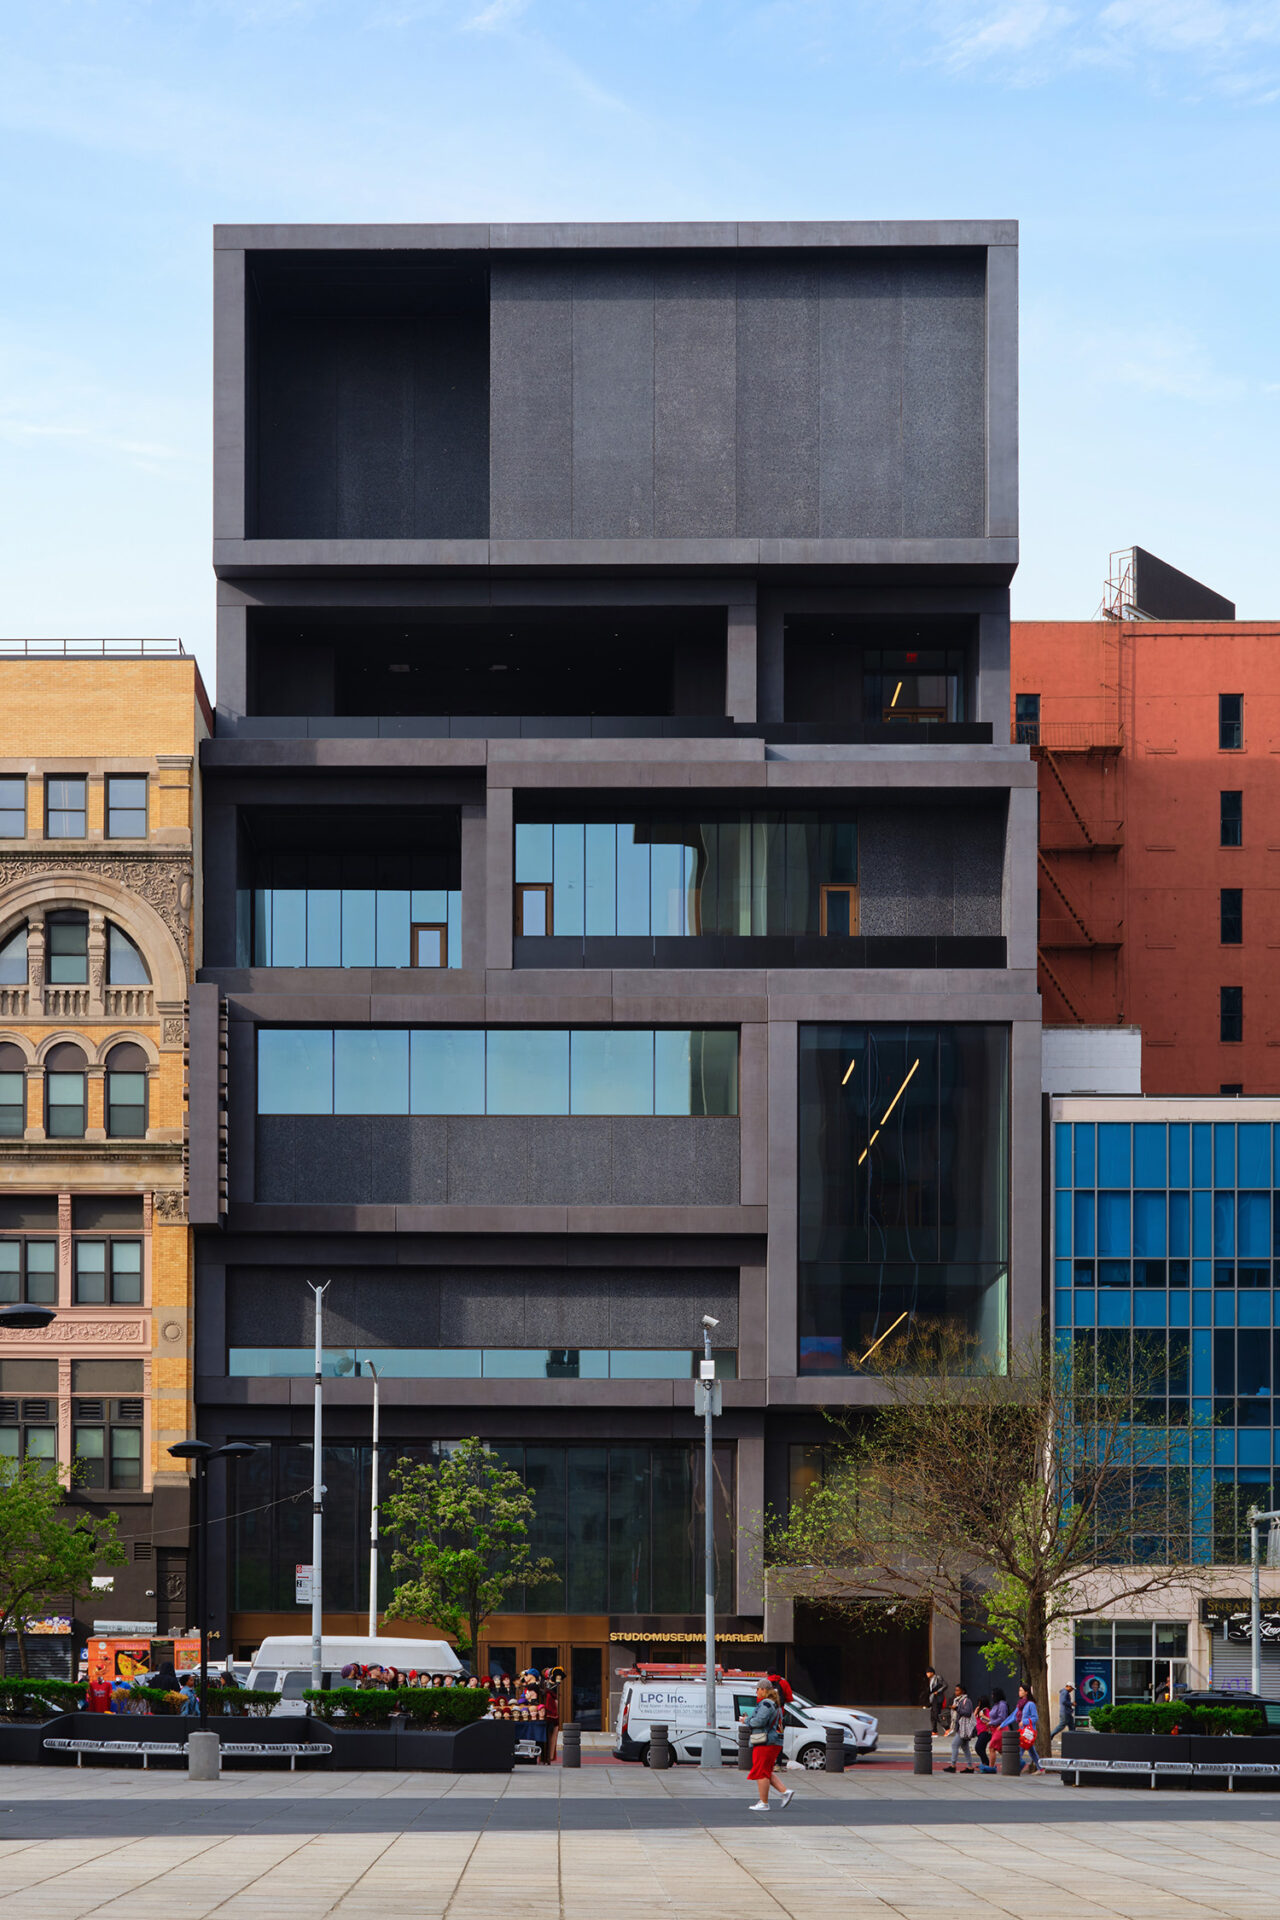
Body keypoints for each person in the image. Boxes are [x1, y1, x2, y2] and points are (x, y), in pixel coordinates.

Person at [741, 1681, 793, 1812]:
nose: (756, 1692)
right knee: (767, 1771)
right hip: (773, 1741)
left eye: (758, 1689)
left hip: (765, 1742)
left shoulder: (766, 1704)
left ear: (764, 1690)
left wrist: (746, 1720)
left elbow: (758, 1721)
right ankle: (785, 1792)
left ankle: (764, 1802)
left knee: (761, 1772)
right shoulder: (775, 1704)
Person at [943, 1685, 976, 1772]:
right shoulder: (957, 1700)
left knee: (954, 1745)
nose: (956, 1692)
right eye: (955, 1690)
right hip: (960, 1727)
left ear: (963, 1691)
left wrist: (957, 1708)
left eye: (958, 1690)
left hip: (963, 1728)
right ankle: (970, 1767)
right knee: (965, 1748)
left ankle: (953, 1765)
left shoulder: (966, 1701)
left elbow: (968, 1713)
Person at [1015, 1684, 1041, 1774]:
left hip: (1028, 1732)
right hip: (1023, 1730)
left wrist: (1024, 1721)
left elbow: (1035, 1718)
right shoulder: (1021, 1704)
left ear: (1026, 1692)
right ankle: (1041, 1768)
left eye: (1021, 1690)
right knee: (1032, 1752)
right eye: (1019, 1690)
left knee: (1020, 1749)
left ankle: (1015, 1767)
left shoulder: (1031, 1704)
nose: (1019, 1692)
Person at [981, 1689, 1009, 1772]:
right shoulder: (996, 1705)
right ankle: (1013, 1762)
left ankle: (991, 1767)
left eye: (993, 1694)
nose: (992, 1696)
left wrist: (991, 1723)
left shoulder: (1002, 1705)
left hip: (1000, 1728)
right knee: (1001, 1749)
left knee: (992, 1747)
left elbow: (1001, 1718)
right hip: (995, 1729)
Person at [1047, 1681, 1076, 1746]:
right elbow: (1063, 1701)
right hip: (1065, 1712)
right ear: (1068, 1686)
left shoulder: (1065, 1692)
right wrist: (1072, 1703)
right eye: (1072, 1688)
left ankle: (1073, 1739)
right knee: (1061, 1726)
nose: (1072, 1690)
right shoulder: (1065, 1692)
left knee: (1072, 1726)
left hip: (1067, 1712)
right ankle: (1050, 1736)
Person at [925, 1667, 947, 1736]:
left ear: (932, 1672)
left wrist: (938, 1692)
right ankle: (934, 1731)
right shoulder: (931, 1680)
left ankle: (947, 1728)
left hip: (937, 1699)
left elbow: (945, 1685)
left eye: (927, 1672)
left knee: (937, 1715)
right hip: (933, 1700)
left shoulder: (938, 1678)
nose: (926, 1674)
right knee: (932, 1716)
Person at [972, 1697, 993, 1772]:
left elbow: (990, 1720)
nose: (979, 1704)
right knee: (982, 1749)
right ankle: (984, 1764)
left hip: (985, 1732)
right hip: (980, 1732)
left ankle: (987, 1763)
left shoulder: (986, 1710)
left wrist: (982, 1716)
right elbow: (973, 1720)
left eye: (980, 1703)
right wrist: (975, 1712)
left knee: (978, 1748)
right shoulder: (979, 1710)